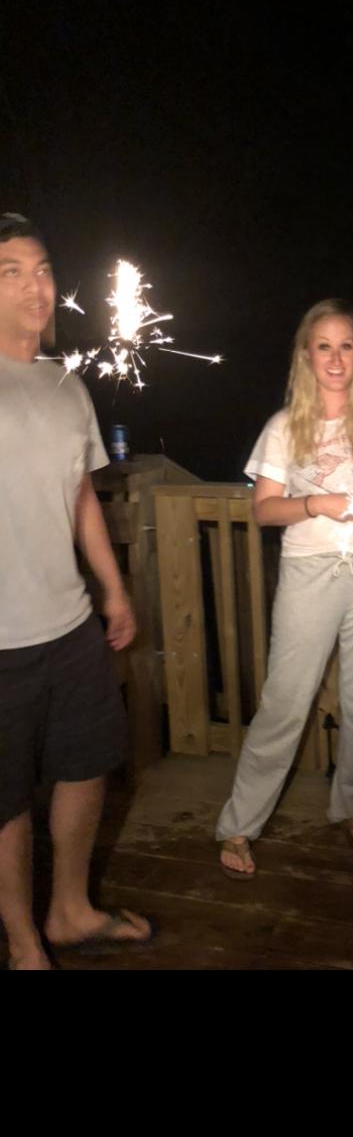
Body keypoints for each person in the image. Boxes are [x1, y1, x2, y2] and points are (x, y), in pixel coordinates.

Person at [0, 213, 153, 969]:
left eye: (43, 270)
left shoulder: (68, 384)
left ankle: (68, 912)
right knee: (5, 799)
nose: (36, 286)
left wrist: (113, 591)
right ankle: (23, 940)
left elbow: (83, 496)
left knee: (88, 763)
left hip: (69, 622)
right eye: (11, 272)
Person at [217, 298, 353, 877]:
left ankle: (351, 806)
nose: (336, 358)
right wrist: (318, 504)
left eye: (346, 345)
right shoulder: (282, 426)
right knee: (285, 700)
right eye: (324, 346)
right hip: (308, 571)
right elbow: (264, 510)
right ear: (306, 355)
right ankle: (239, 824)